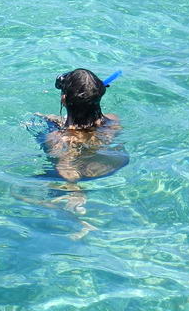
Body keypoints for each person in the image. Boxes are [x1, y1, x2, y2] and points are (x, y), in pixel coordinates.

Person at [31, 68, 129, 237]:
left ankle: (77, 223)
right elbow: (85, 129)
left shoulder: (57, 138)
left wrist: (75, 192)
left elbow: (66, 165)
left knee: (18, 191)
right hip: (111, 166)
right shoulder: (113, 121)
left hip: (77, 175)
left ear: (63, 99)